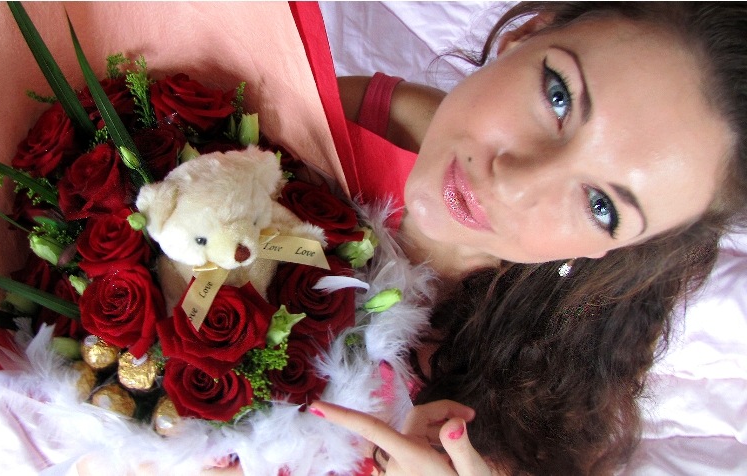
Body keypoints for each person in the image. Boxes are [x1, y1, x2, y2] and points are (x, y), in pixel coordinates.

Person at [306, 2, 747, 475]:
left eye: (601, 206)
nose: (513, 186)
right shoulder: (362, 122)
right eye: (559, 98)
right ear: (525, 34)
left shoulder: (548, 392)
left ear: (611, 250)